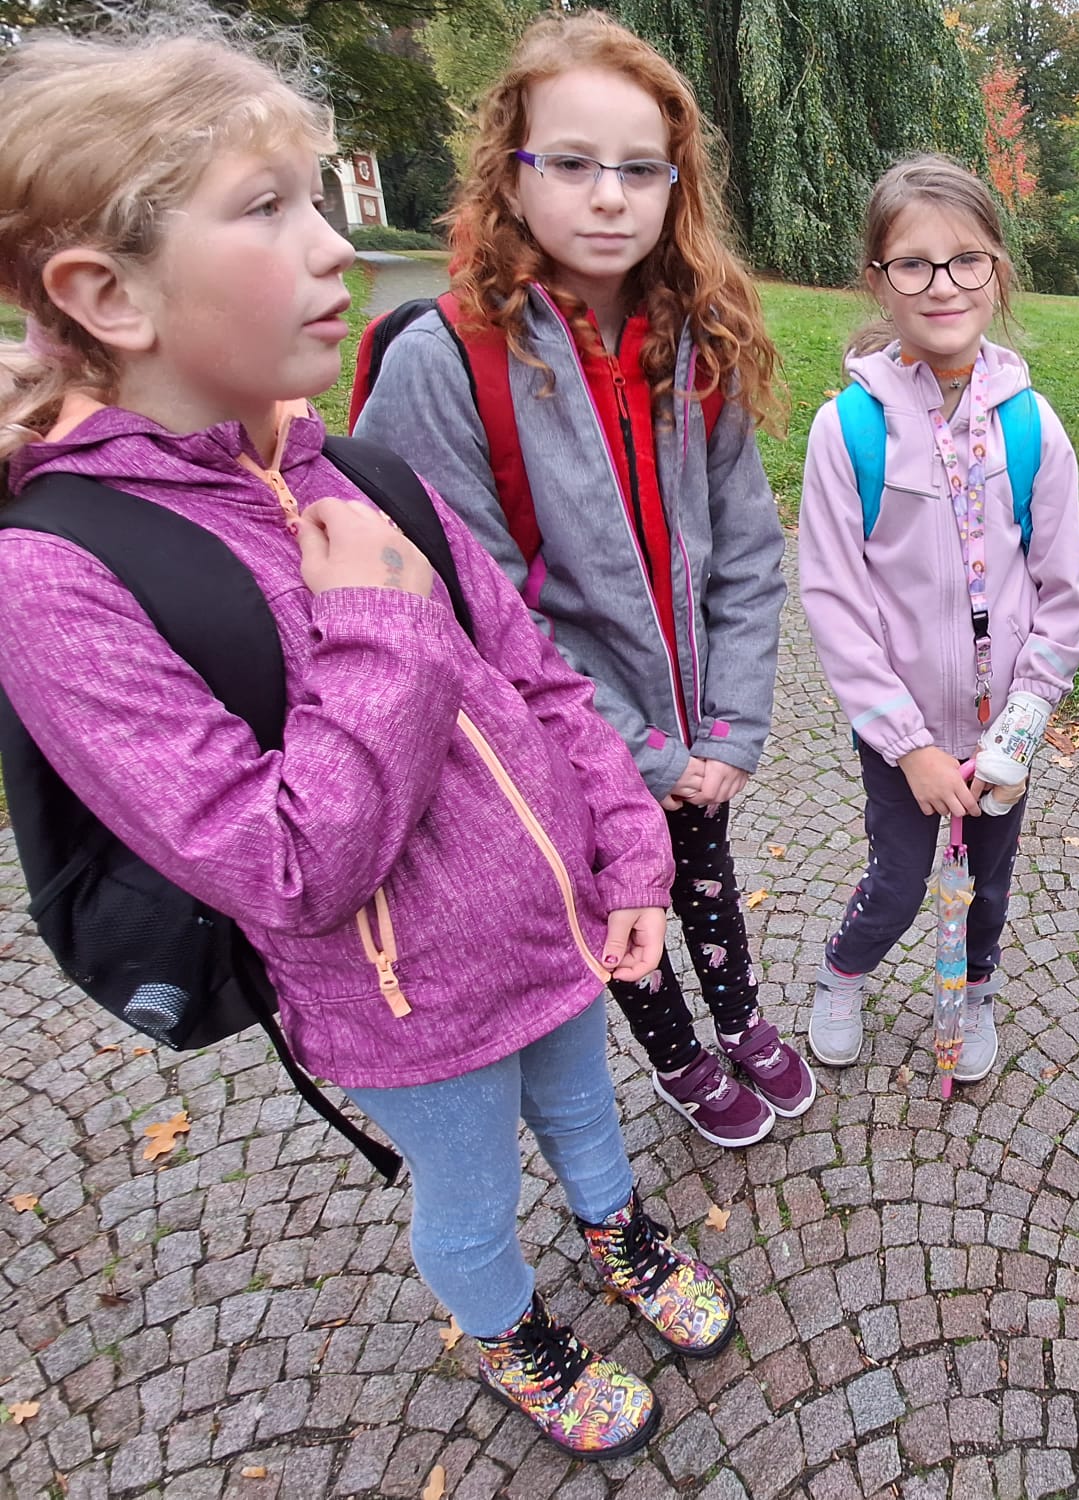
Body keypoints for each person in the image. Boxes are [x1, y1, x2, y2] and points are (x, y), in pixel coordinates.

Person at [0, 22, 734, 1462]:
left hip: (553, 925)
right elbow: (286, 866)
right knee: (467, 1197)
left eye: (321, 199)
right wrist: (381, 630)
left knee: (588, 1113)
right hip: (400, 1003)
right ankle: (510, 1330)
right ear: (106, 293)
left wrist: (628, 853)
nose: (338, 246)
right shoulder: (56, 576)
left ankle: (620, 1232)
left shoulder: (356, 469)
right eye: (269, 207)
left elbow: (539, 680)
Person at [356, 11, 808, 1150]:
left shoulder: (692, 342)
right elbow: (477, 613)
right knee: (620, 900)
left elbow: (748, 551)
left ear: (675, 186)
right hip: (567, 740)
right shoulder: (446, 363)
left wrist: (730, 727)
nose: (609, 196)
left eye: (639, 169)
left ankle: (739, 1017)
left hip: (695, 729)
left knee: (706, 877)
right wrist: (640, 753)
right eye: (570, 162)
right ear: (512, 174)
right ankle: (676, 1052)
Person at [797, 155, 1079, 1078]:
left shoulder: (1033, 427)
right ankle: (842, 974)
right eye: (913, 264)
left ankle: (977, 990)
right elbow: (835, 601)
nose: (942, 285)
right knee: (896, 881)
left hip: (1004, 733)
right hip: (905, 736)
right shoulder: (848, 430)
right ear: (878, 280)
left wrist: (1022, 727)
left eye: (966, 260)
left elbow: (1064, 595)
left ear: (997, 271)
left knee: (989, 886)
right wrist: (908, 744)